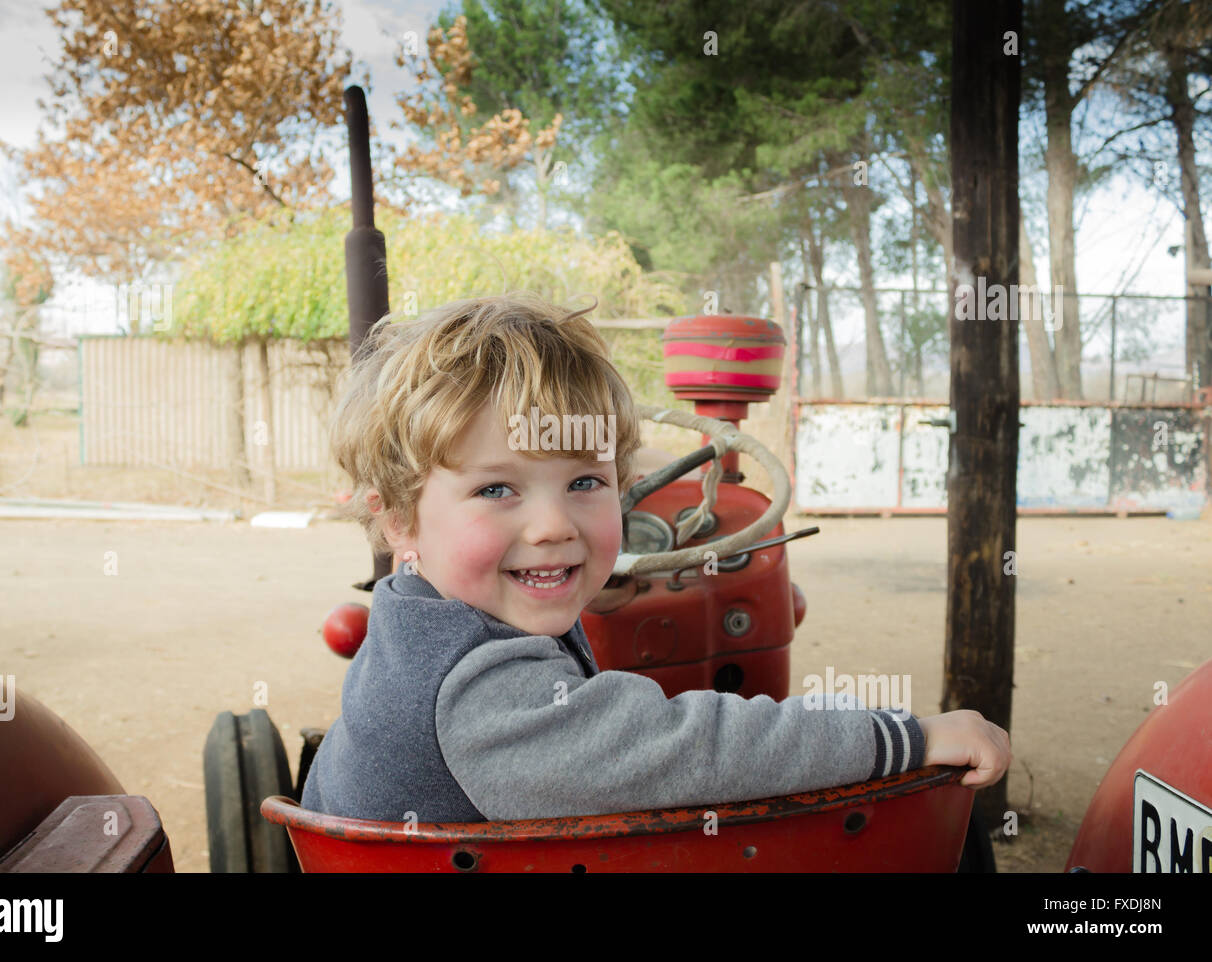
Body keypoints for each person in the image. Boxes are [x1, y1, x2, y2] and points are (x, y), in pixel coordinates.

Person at [300, 291, 1011, 823]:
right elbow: (695, 748)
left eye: (586, 482)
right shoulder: (481, 694)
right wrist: (906, 736)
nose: (553, 526)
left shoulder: (416, 621)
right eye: (496, 488)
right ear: (398, 520)